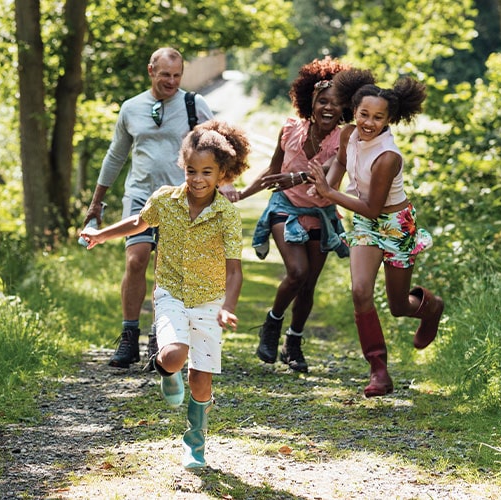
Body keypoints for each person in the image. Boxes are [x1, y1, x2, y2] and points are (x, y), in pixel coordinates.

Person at [80, 120, 250, 469]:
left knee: (201, 382)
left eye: (207, 172)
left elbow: (235, 270)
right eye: (191, 170)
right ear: (182, 166)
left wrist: (228, 306)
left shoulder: (227, 216)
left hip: (210, 301)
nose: (198, 178)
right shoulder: (164, 200)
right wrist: (101, 235)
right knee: (173, 356)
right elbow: (137, 224)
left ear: (222, 174)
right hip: (171, 294)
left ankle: (195, 444)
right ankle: (167, 372)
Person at [305, 68, 445, 397]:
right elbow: (340, 161)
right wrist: (330, 184)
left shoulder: (388, 157)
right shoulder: (348, 134)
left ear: (388, 121)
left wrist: (329, 194)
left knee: (398, 305)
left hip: (395, 225)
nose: (368, 123)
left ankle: (431, 308)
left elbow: (372, 206)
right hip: (366, 225)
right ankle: (379, 370)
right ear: (353, 111)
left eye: (377, 118)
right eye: (363, 114)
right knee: (360, 291)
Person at [83, 47, 215, 369]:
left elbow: (217, 148)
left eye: (176, 75)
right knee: (136, 259)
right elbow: (115, 155)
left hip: (181, 199)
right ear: (151, 71)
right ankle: (129, 336)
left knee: (169, 270)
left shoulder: (194, 105)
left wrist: (222, 188)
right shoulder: (131, 108)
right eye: (165, 74)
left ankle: (161, 334)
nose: (171, 81)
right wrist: (97, 200)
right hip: (141, 195)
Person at [231, 57, 352, 373]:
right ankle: (272, 324)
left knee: (309, 285)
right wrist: (241, 196)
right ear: (310, 101)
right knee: (297, 272)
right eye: (323, 101)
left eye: (337, 103)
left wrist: (298, 177)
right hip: (284, 208)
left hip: (321, 215)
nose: (329, 108)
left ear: (345, 109)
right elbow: (273, 172)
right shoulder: (289, 129)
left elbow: (332, 175)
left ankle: (293, 343)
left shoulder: (344, 139)